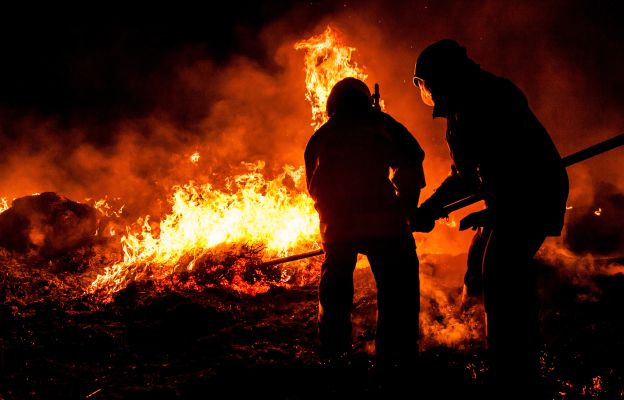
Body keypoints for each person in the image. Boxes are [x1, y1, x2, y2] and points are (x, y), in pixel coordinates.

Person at [412, 39, 569, 396]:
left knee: (500, 270)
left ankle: (514, 369)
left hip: (532, 195)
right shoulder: (461, 106)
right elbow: (467, 175)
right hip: (510, 198)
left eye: (429, 82)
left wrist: (493, 211)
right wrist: (431, 208)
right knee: (480, 260)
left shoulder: (489, 100)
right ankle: (482, 336)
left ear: (444, 77)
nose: (429, 91)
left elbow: (513, 167)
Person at [304, 77, 426, 370]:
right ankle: (396, 359)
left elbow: (314, 187)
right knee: (398, 288)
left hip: (338, 228)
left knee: (334, 292)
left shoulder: (320, 137)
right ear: (367, 102)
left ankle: (333, 356)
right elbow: (411, 161)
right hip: (384, 224)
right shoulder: (380, 124)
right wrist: (408, 209)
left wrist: (332, 224)